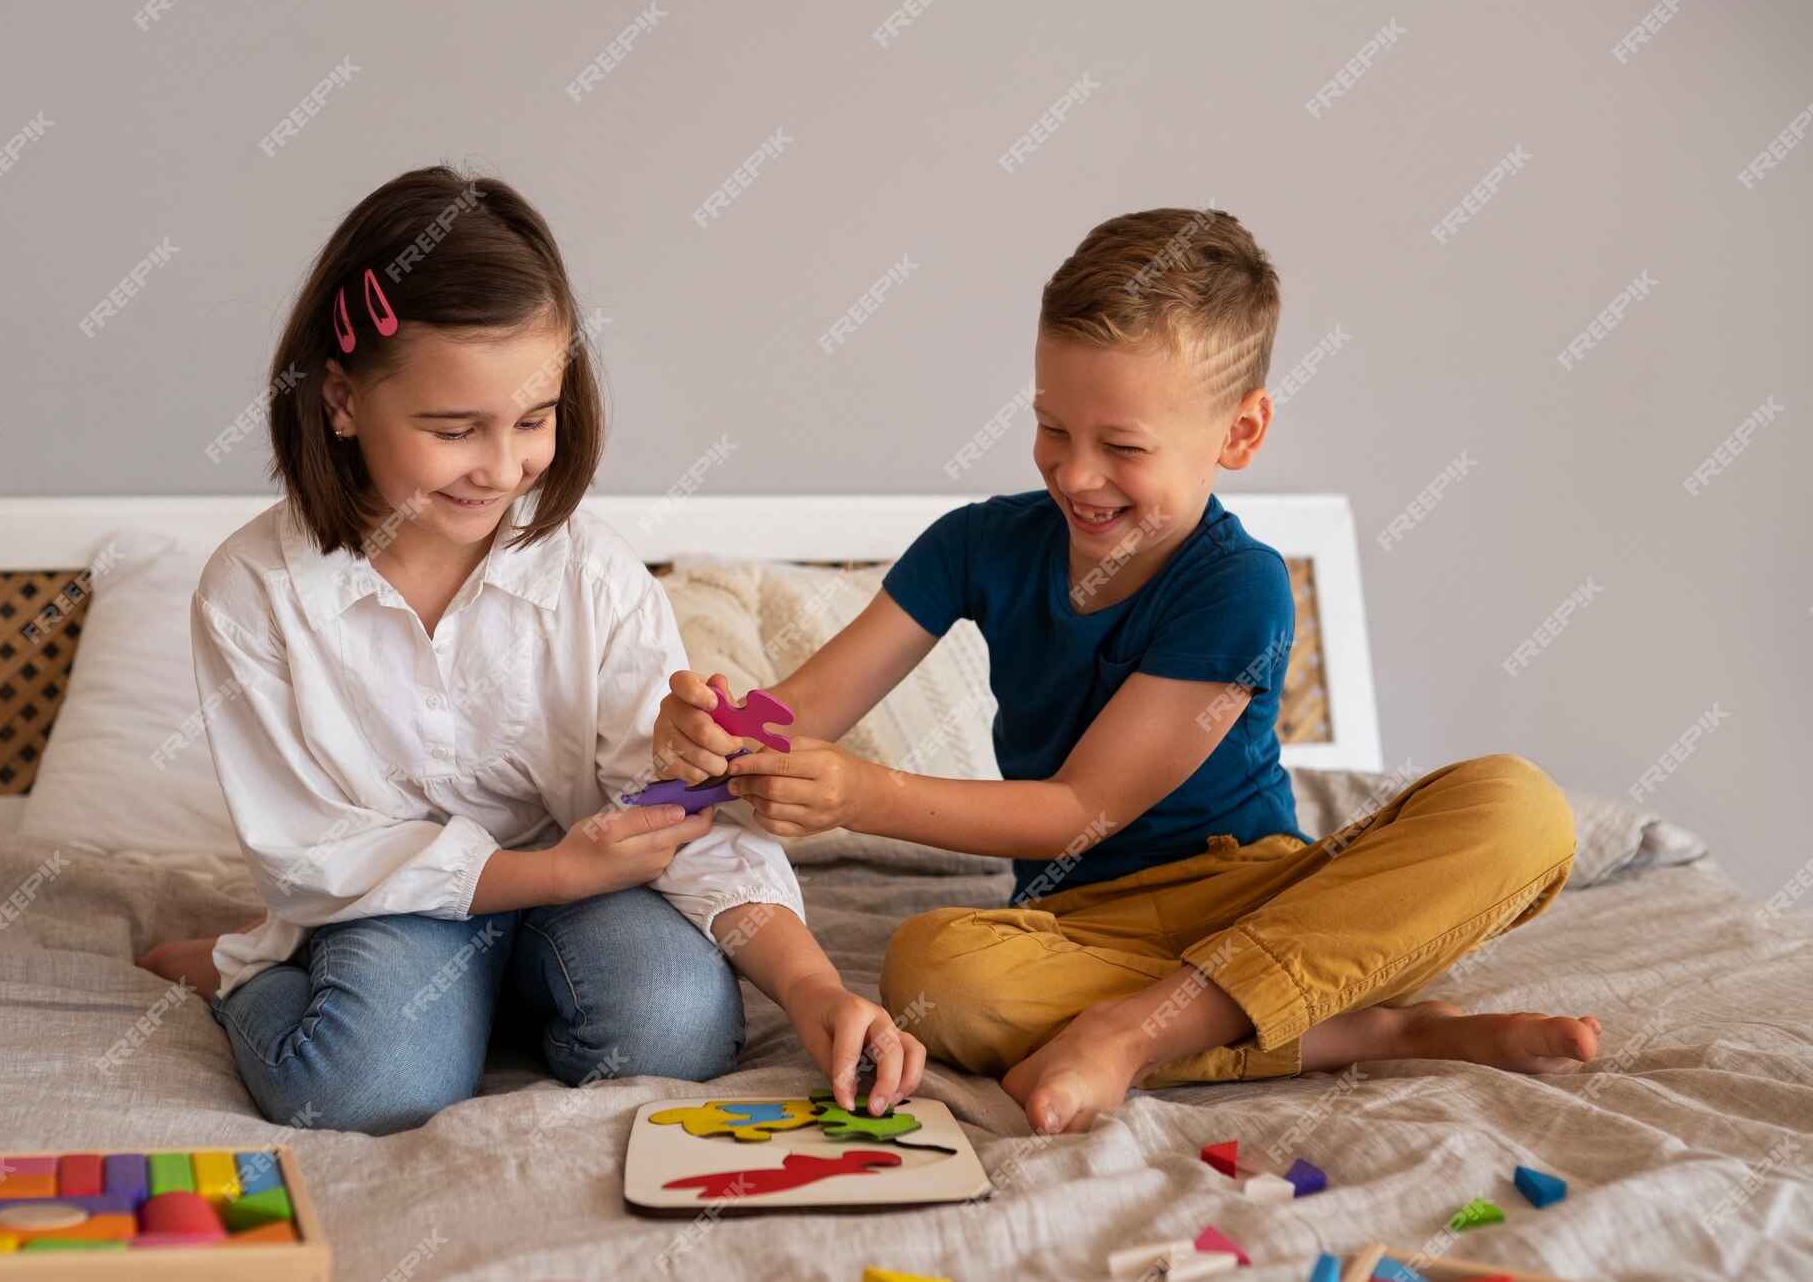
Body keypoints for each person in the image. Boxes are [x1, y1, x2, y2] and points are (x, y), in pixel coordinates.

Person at [654, 207, 1599, 1135]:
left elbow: (1080, 808)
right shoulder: (975, 545)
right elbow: (802, 710)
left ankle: (1134, 1035)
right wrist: (717, 727)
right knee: (936, 975)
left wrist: (861, 792)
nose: (1074, 473)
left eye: (1124, 446)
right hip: (1080, 927)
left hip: (1262, 896)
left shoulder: (1242, 587)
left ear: (1239, 433)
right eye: (1051, 428)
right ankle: (1369, 1029)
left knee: (1522, 809)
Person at [139, 165, 923, 1135]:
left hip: (588, 891)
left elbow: (680, 823)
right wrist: (553, 872)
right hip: (403, 901)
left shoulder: (589, 576)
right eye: (452, 429)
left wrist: (811, 989)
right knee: (359, 1087)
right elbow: (315, 856)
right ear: (341, 398)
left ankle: (497, 996)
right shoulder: (254, 591)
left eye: (533, 420)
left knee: (674, 1032)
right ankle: (243, 975)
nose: (503, 467)